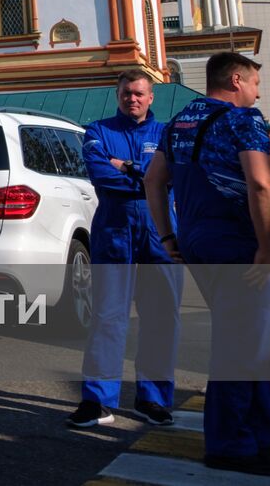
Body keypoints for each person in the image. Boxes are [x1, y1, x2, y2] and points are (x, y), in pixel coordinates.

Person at [144, 52, 270, 476]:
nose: (258, 91)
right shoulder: (245, 121)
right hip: (237, 243)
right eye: (256, 82)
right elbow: (261, 184)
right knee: (240, 347)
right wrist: (265, 248)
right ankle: (230, 444)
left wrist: (168, 236)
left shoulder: (179, 122)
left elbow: (153, 180)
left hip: (197, 240)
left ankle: (263, 433)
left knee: (249, 340)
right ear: (237, 80)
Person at [67, 69, 181, 429]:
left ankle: (154, 399)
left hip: (160, 233)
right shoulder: (98, 131)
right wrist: (147, 176)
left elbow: (171, 175)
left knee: (161, 318)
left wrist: (128, 166)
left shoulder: (167, 134)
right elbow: (100, 174)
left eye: (139, 94)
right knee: (107, 317)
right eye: (126, 94)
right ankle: (98, 400)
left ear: (151, 98)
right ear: (118, 96)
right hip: (114, 233)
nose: (132, 99)